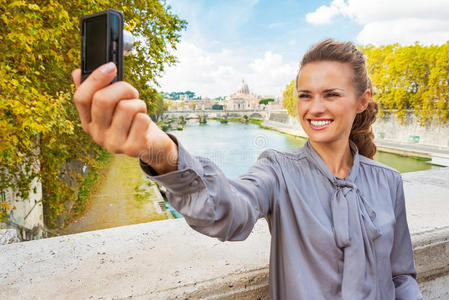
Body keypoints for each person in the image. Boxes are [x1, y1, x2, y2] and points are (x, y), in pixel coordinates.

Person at [72, 39, 423, 299]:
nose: (315, 108)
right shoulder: (277, 171)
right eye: (304, 95)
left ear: (362, 100)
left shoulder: (388, 182)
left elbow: (402, 275)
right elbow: (227, 211)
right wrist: (164, 153)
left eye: (331, 94)